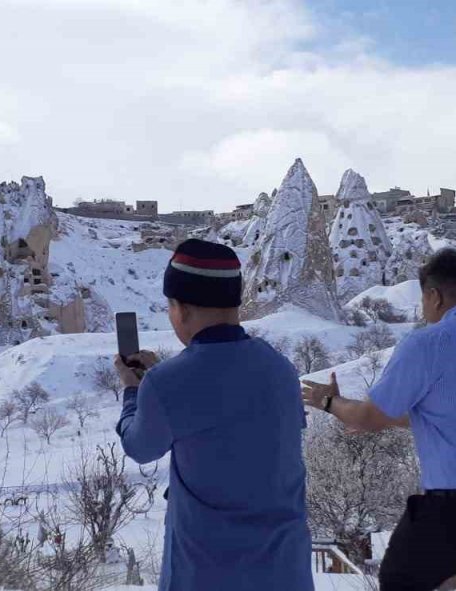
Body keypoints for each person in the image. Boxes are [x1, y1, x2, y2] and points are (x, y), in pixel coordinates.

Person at [302, 248, 456, 591]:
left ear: (433, 295)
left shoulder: (428, 342)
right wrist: (384, 418)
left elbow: (369, 417)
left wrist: (328, 401)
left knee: (398, 580)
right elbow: (452, 414)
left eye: (423, 299)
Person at [114, 239, 313, 591]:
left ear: (181, 309)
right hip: (285, 572)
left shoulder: (166, 384)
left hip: (206, 573)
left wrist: (134, 391)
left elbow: (139, 446)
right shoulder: (280, 367)